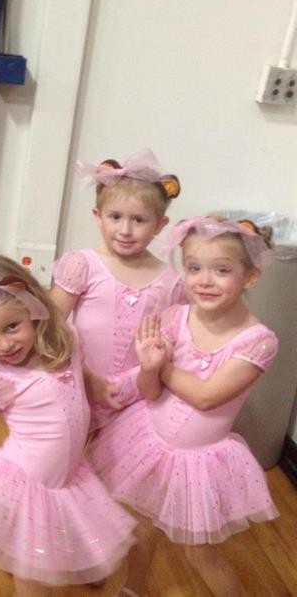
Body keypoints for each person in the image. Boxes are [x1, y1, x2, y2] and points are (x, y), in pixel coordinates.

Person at [0, 251, 136, 597]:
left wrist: (95, 384)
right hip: (14, 490)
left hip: (62, 484)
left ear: (33, 308)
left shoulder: (66, 341)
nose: (5, 344)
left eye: (12, 327)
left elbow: (79, 371)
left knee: (33, 574)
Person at [89, 216, 279, 597]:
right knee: (143, 527)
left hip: (199, 461)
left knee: (199, 553)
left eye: (221, 270)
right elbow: (151, 392)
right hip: (150, 441)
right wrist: (148, 368)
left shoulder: (258, 341)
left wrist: (162, 366)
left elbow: (206, 396)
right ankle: (133, 587)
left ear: (250, 276)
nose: (204, 280)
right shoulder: (176, 317)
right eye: (194, 268)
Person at [50, 149, 184, 427]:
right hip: (81, 385)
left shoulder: (171, 281)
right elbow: (50, 328)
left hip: (138, 396)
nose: (125, 230)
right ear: (98, 215)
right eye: (115, 217)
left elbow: (173, 342)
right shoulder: (82, 264)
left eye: (139, 220)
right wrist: (86, 377)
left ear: (160, 224)